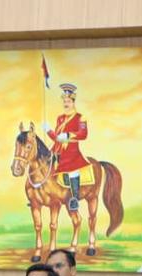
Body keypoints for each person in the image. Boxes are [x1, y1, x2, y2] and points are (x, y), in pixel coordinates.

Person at [43, 83, 91, 214]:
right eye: (64, 101)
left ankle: (74, 199)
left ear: (73, 102)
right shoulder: (60, 118)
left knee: (72, 171)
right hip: (57, 151)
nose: (66, 103)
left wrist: (69, 135)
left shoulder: (80, 118)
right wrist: (48, 131)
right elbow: (57, 138)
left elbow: (84, 134)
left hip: (72, 153)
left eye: (68, 101)